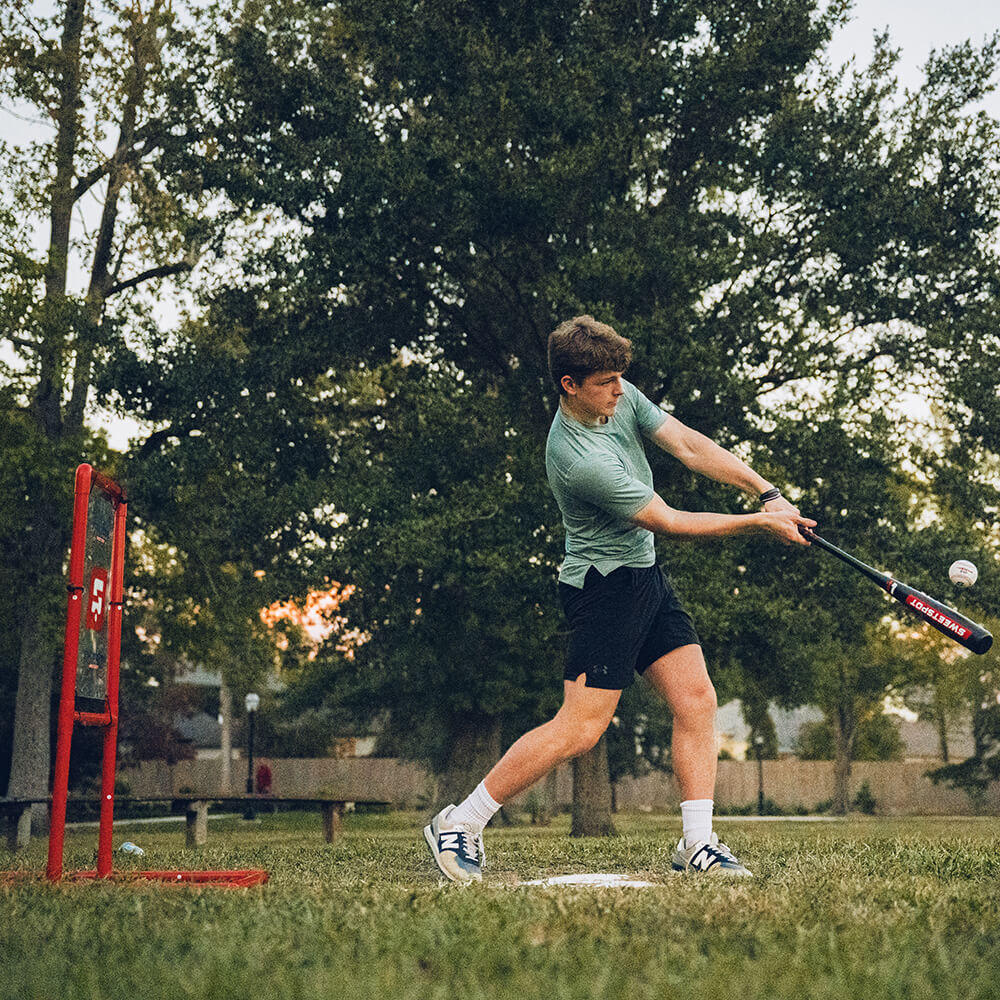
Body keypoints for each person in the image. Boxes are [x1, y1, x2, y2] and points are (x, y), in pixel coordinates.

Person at [424, 315, 815, 881]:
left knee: (697, 700)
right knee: (580, 729)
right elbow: (669, 519)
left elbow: (686, 443)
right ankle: (460, 822)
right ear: (570, 385)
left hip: (644, 577)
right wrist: (758, 523)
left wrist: (766, 490)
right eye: (605, 381)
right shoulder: (578, 458)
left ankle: (697, 845)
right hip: (602, 590)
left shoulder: (619, 395)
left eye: (618, 378)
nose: (619, 389)